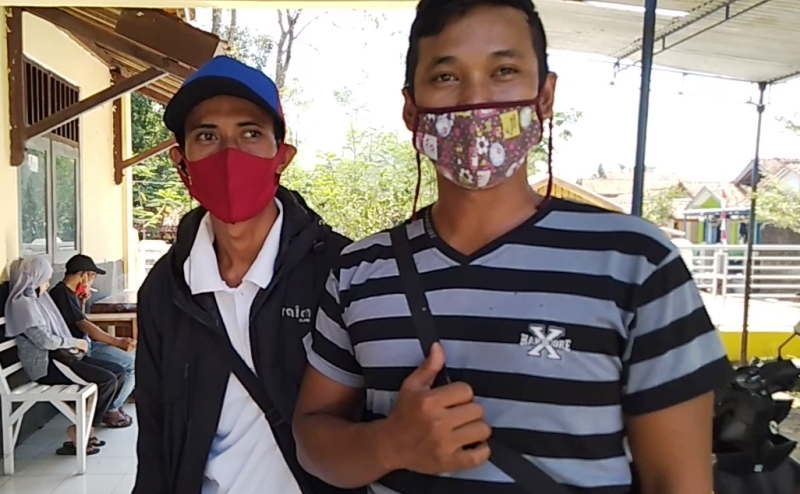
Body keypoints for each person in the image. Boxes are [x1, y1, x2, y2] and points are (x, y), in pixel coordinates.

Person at [292, 1, 734, 494]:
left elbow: (678, 480)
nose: (476, 100)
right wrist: (388, 444)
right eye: (446, 77)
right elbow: (312, 441)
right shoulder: (359, 271)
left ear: (545, 96)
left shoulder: (636, 263)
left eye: (504, 71)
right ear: (411, 110)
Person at [133, 55, 353, 494]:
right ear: (181, 161)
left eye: (250, 133)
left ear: (282, 157)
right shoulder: (165, 289)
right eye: (207, 136)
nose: (229, 154)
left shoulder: (341, 271)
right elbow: (155, 439)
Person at [4, 256, 126, 456]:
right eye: (45, 279)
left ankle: (85, 430)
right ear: (34, 278)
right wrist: (75, 343)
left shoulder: (39, 300)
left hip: (63, 358)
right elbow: (45, 341)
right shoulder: (23, 305)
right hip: (48, 365)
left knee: (118, 372)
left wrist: (75, 343)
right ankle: (81, 431)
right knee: (106, 381)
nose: (48, 284)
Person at [49, 254, 136, 428]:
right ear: (83, 275)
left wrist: (82, 301)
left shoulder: (70, 293)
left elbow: (76, 319)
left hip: (84, 344)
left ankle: (111, 407)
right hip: (78, 350)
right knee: (132, 365)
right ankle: (111, 409)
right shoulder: (61, 293)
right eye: (92, 276)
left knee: (131, 362)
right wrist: (116, 341)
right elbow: (83, 325)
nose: (92, 282)